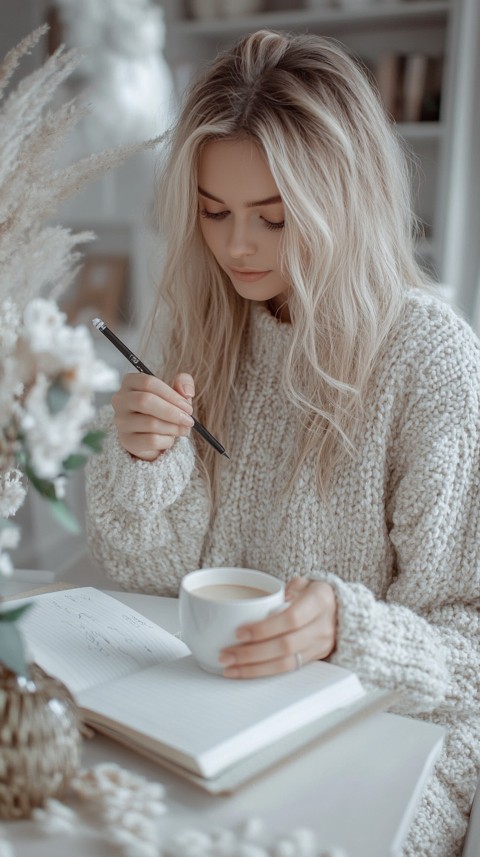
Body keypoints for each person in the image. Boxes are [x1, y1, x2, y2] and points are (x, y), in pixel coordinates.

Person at [85, 30, 480, 857]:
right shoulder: (206, 324)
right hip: (213, 722)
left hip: (387, 738)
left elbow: (470, 654)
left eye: (273, 217)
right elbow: (157, 586)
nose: (236, 247)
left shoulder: (431, 359)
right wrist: (146, 466)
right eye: (214, 211)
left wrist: (348, 629)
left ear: (346, 201)